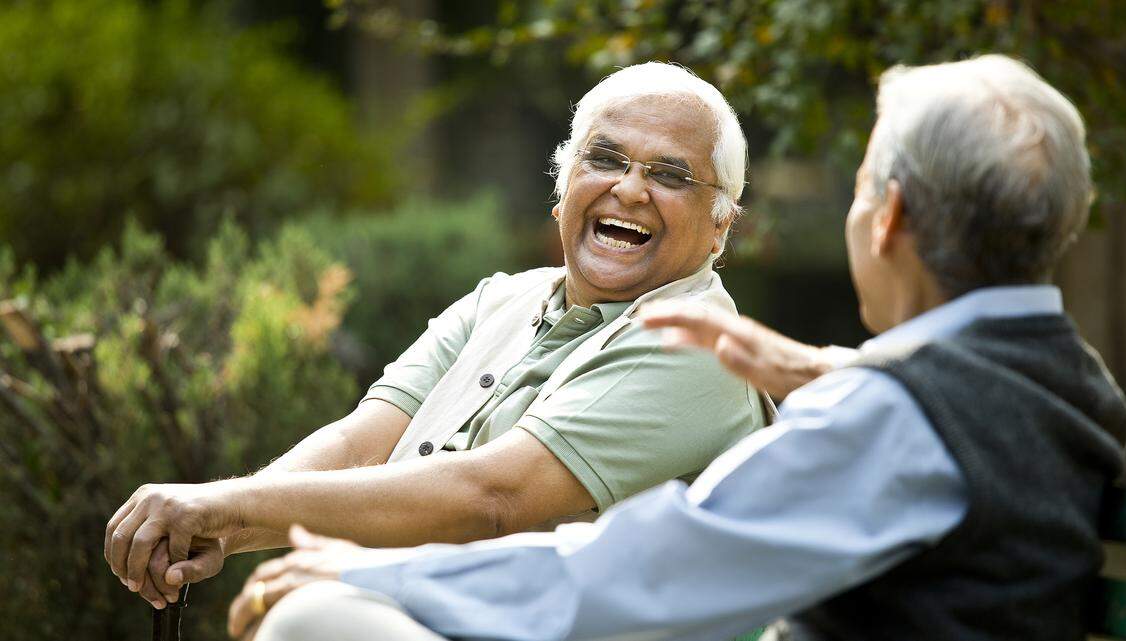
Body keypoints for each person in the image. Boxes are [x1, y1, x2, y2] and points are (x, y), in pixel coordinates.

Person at [226, 54, 1126, 641]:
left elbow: (650, 565)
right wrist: (829, 369)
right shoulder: (1071, 380)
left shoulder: (899, 419)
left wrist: (379, 566)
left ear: (888, 214)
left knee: (322, 618)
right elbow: (957, 420)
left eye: (858, 189)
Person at [104, 62, 799, 610]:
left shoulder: (699, 344)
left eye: (670, 173)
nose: (630, 188)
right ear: (563, 189)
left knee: (309, 617)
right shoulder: (499, 298)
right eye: (606, 159)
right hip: (434, 609)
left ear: (720, 224)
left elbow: (493, 500)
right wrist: (217, 525)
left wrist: (228, 505)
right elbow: (357, 444)